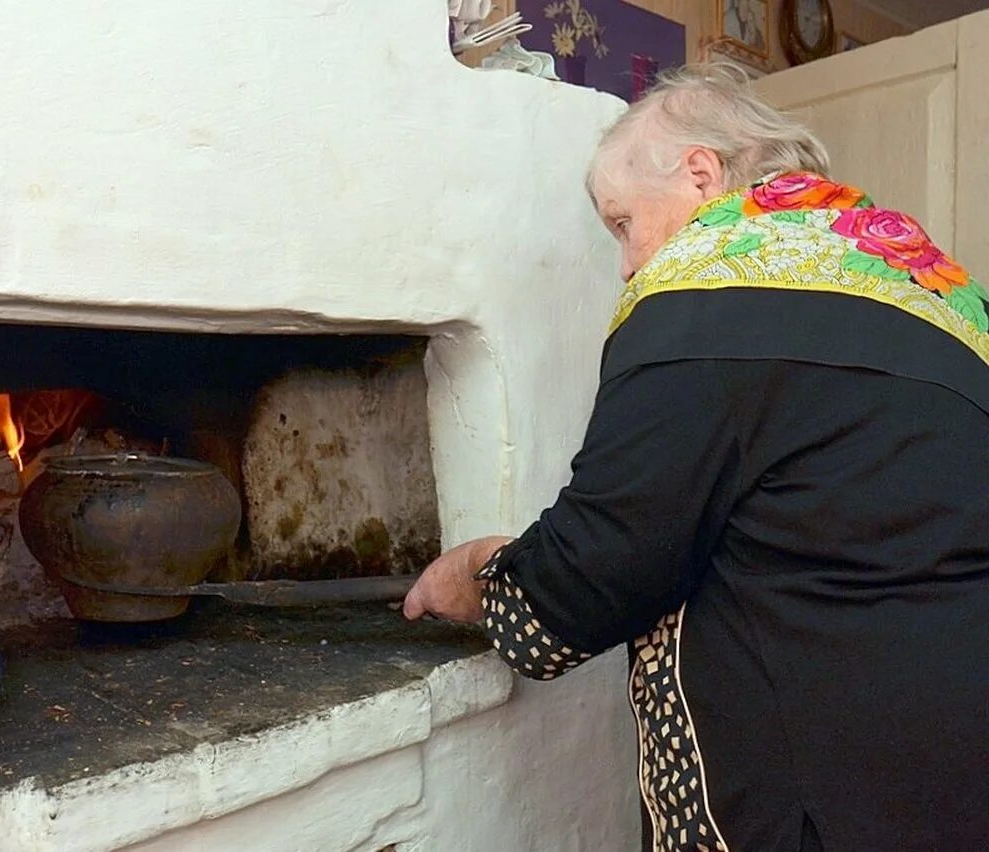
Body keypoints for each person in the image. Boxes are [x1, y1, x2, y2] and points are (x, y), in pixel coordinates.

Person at [403, 63, 989, 851]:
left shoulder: (702, 295)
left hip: (822, 784)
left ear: (701, 173)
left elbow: (602, 565)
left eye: (621, 223)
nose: (627, 264)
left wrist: (477, 573)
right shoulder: (934, 290)